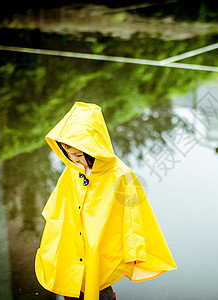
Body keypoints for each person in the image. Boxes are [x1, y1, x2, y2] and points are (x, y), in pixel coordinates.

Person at [35, 102, 177, 300]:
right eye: (68, 155)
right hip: (75, 240)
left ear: (93, 149)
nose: (74, 160)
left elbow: (132, 214)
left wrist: (134, 248)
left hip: (102, 244)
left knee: (98, 285)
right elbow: (59, 202)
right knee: (72, 284)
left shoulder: (120, 175)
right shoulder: (73, 169)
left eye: (78, 155)